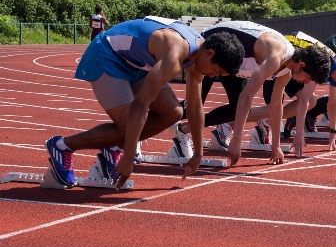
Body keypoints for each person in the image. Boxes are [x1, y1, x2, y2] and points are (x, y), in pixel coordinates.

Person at [44, 16, 245, 189]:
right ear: (210, 54)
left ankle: (113, 146)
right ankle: (62, 146)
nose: (213, 75)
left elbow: (194, 107)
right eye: (216, 71)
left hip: (136, 62)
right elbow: (140, 104)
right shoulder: (175, 55)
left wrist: (198, 155)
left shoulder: (198, 53)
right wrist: (128, 156)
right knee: (127, 128)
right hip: (106, 55)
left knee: (173, 112)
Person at [170, 21, 331, 167]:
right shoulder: (276, 57)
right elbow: (247, 96)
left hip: (232, 66)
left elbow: (275, 107)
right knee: (190, 108)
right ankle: (148, 120)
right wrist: (237, 139)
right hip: (213, 48)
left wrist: (275, 146)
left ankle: (181, 131)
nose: (307, 83)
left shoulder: (286, 70)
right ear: (301, 65)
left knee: (235, 110)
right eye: (308, 78)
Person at [249, 31, 336, 158]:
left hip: (297, 65)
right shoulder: (323, 66)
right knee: (276, 105)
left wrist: (333, 132)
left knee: (309, 102)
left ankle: (265, 120)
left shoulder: (335, 70)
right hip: (281, 56)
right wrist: (299, 134)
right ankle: (233, 121)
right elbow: (303, 100)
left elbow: (332, 103)